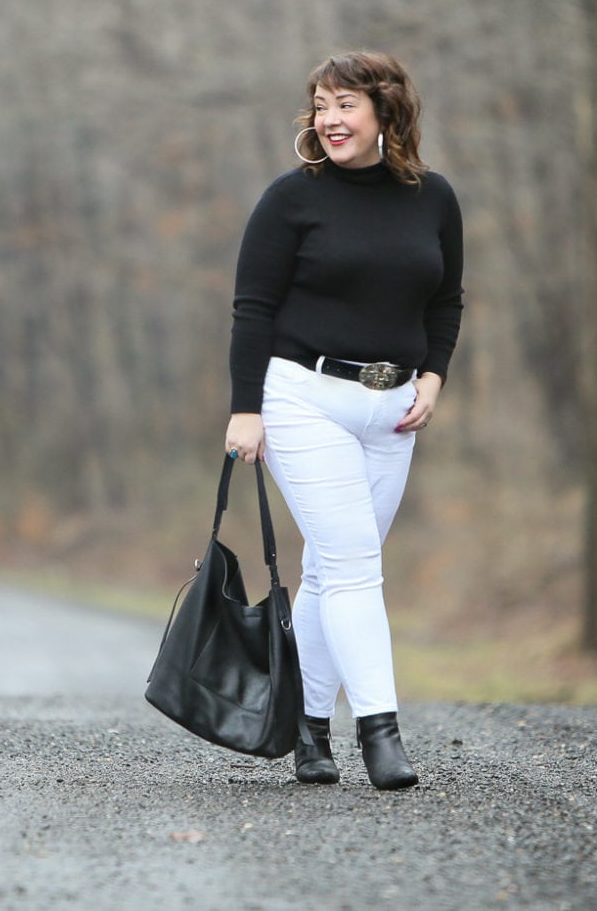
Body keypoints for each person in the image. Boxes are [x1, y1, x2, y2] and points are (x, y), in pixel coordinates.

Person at [225, 51, 464, 790]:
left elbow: (446, 299)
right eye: (320, 105)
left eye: (344, 105)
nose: (328, 118)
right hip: (303, 397)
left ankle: (307, 730)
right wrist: (245, 409)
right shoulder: (291, 199)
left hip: (393, 411)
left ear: (386, 112)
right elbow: (253, 308)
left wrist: (433, 375)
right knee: (358, 562)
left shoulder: (434, 198)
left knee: (333, 569)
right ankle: (381, 733)